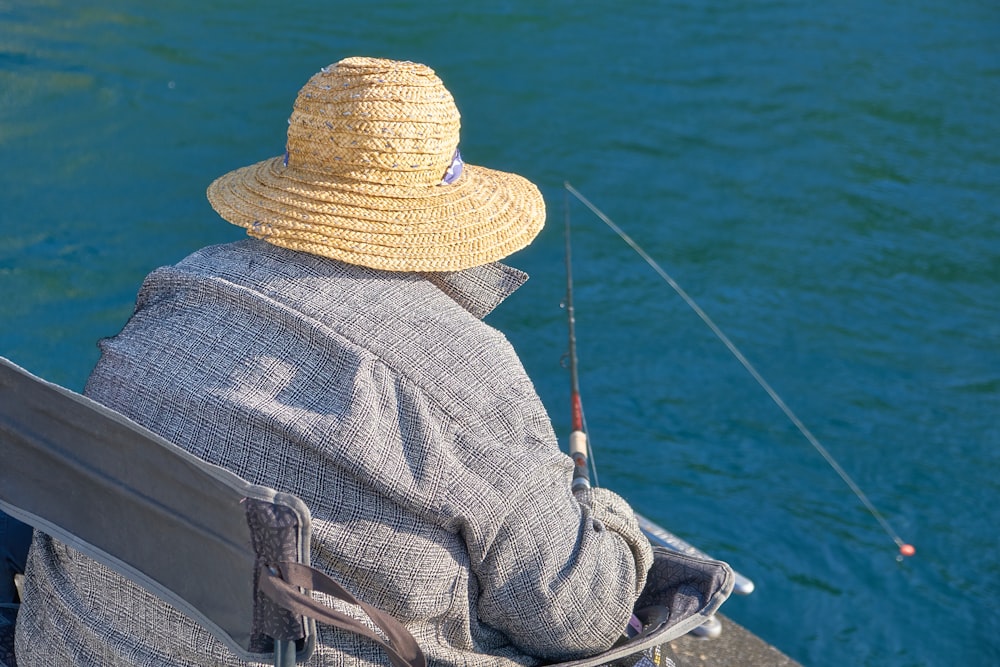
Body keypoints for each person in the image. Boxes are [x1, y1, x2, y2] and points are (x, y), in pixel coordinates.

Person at [14, 57, 654, 666]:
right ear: (446, 214)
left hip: (70, 647)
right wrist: (607, 518)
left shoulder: (181, 286)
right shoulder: (458, 360)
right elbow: (577, 613)